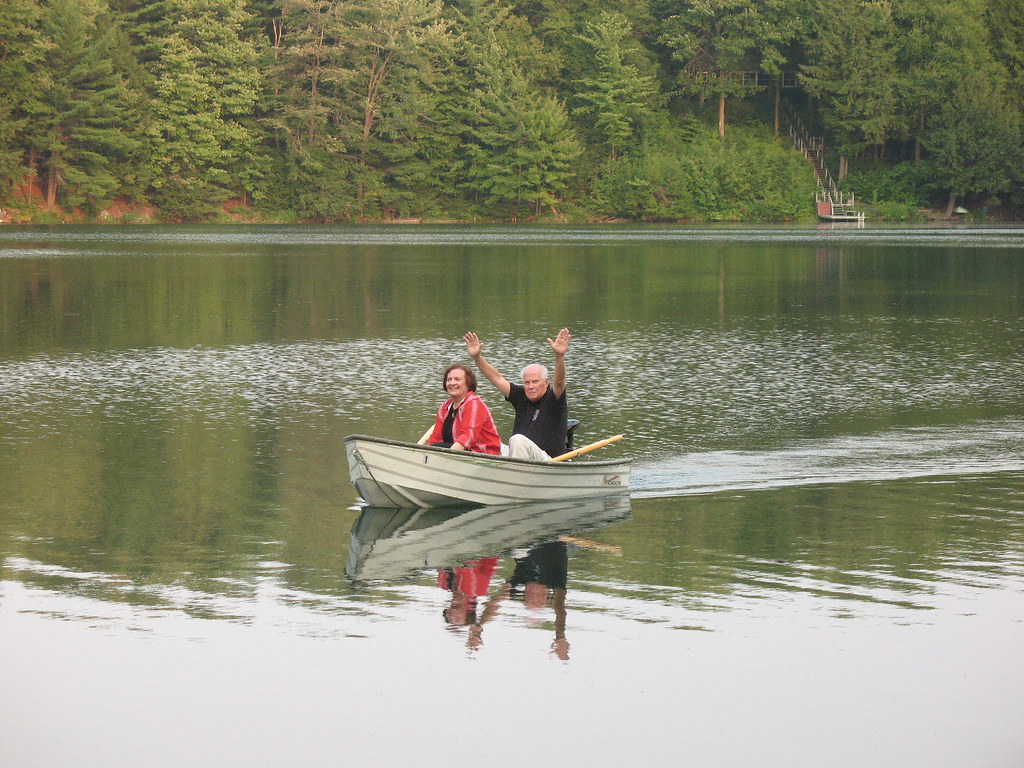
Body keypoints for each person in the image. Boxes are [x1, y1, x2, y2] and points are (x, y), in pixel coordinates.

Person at [464, 329, 570, 460]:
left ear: (546, 382)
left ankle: (511, 475)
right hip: (519, 457)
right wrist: (477, 357)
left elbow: (559, 382)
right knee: (481, 438)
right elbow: (497, 379)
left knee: (517, 440)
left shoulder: (554, 399)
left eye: (535, 382)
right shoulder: (522, 396)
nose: (530, 386)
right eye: (527, 382)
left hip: (548, 461)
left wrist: (559, 356)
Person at [427, 363, 502, 455]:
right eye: (449, 380)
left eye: (457, 379)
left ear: (468, 383)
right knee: (435, 446)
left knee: (437, 448)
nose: (452, 383)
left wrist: (447, 455)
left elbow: (468, 437)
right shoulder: (445, 407)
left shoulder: (474, 404)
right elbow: (436, 438)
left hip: (483, 454)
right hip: (457, 452)